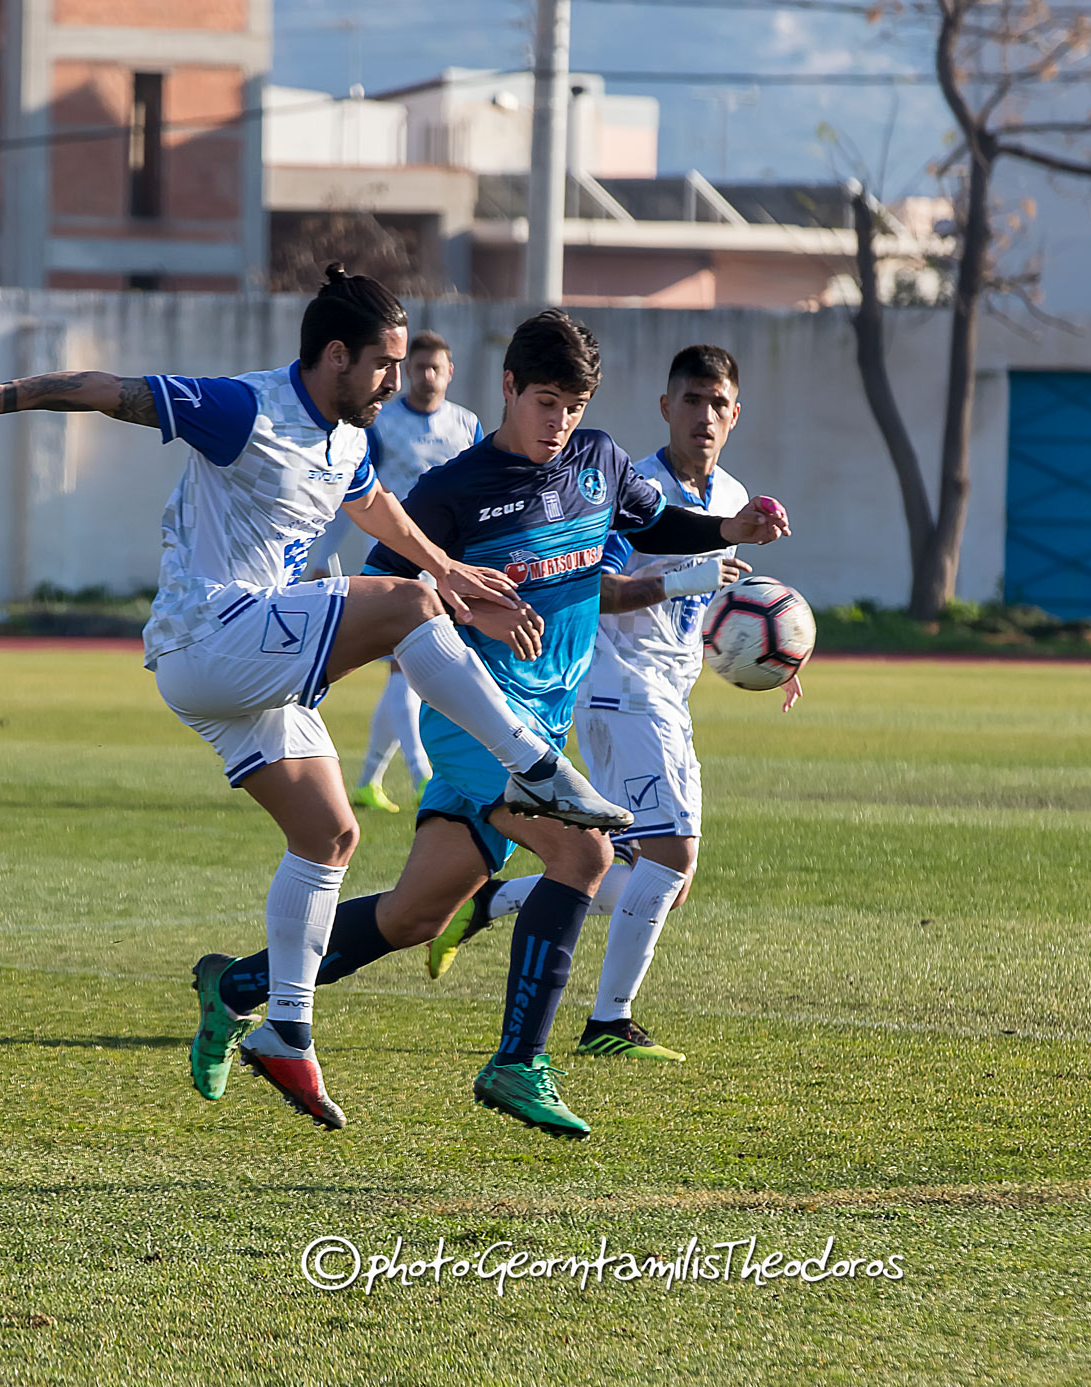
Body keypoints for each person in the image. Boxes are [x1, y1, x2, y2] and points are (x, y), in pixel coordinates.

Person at [0, 266, 633, 1134]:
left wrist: (450, 571)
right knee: (405, 605)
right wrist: (1, 398)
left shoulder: (347, 443)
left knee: (330, 834)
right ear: (336, 355)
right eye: (383, 365)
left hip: (241, 668)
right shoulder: (246, 409)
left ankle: (282, 1027)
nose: (397, 383)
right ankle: (538, 769)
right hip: (213, 636)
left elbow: (381, 517)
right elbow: (111, 390)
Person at [192, 311, 792, 1139]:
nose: (560, 424)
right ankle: (519, 1062)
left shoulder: (599, 460)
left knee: (417, 916)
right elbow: (386, 601)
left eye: (574, 407)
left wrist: (729, 529)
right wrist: (467, 600)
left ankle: (236, 988)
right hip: (476, 712)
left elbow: (651, 523)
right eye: (546, 403)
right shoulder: (453, 491)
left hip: (548, 721)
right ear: (507, 388)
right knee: (582, 853)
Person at [421, 344, 799, 1064]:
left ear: (735, 415)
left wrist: (771, 658)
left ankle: (489, 903)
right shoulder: (632, 485)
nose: (704, 417)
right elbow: (602, 591)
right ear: (665, 407)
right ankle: (607, 1023)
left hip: (668, 693)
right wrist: (688, 577)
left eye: (718, 404)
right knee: (672, 854)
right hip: (613, 687)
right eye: (691, 401)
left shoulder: (729, 497)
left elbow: (721, 613)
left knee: (659, 878)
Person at [345, 331, 485, 817]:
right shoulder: (383, 423)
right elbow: (355, 489)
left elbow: (480, 492)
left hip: (448, 565)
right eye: (418, 367)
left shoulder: (467, 425)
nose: (426, 376)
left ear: (451, 372)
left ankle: (367, 781)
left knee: (403, 673)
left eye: (435, 368)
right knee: (409, 670)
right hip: (396, 564)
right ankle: (422, 775)